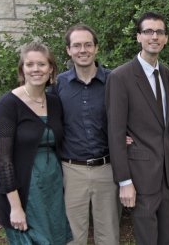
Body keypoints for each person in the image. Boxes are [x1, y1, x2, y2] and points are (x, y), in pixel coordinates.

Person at [0, 42, 72, 244]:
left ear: (51, 68)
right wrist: (16, 207)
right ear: (22, 69)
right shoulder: (7, 106)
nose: (36, 69)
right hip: (24, 190)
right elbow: (2, 162)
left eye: (41, 64)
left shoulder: (54, 102)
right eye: (29, 64)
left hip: (52, 186)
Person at [106, 11, 169, 245]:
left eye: (159, 32)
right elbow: (115, 133)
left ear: (165, 38)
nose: (154, 36)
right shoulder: (120, 77)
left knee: (167, 238)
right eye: (148, 31)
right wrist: (124, 181)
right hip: (140, 176)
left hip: (167, 176)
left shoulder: (165, 73)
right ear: (138, 37)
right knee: (147, 239)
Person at [55, 24, 120, 244]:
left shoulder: (114, 81)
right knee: (73, 236)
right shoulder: (57, 84)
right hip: (72, 170)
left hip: (107, 169)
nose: (83, 50)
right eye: (77, 45)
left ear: (96, 48)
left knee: (109, 235)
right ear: (68, 50)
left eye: (88, 44)